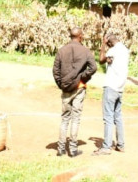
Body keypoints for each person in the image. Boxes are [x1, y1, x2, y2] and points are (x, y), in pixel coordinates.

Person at [52, 27, 97, 157]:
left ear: (70, 36)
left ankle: (60, 149)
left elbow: (55, 71)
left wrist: (61, 84)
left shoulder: (61, 51)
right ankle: (72, 149)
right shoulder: (86, 51)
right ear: (80, 36)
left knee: (65, 118)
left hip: (65, 88)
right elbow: (93, 68)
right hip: (79, 88)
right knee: (75, 118)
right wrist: (83, 77)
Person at [93, 32, 129, 156]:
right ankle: (121, 145)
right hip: (120, 88)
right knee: (117, 117)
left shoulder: (113, 50)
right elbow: (110, 61)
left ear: (108, 41)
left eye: (107, 43)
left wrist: (102, 45)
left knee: (108, 118)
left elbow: (102, 60)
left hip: (111, 87)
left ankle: (106, 147)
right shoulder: (124, 49)